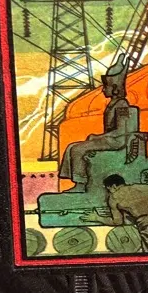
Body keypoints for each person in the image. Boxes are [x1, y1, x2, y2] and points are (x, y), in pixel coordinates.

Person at [59, 57, 140, 193]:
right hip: (109, 139)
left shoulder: (122, 104)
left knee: (78, 150)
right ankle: (76, 181)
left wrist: (98, 137)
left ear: (114, 88)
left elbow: (121, 131)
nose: (103, 90)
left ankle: (81, 184)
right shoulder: (113, 104)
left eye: (106, 87)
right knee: (72, 146)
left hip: (116, 141)